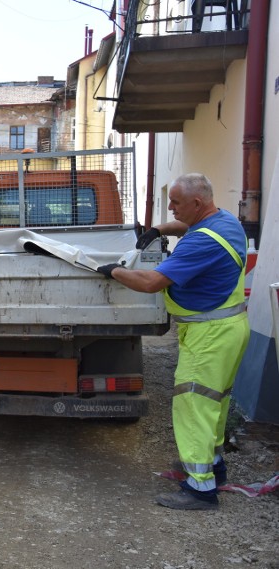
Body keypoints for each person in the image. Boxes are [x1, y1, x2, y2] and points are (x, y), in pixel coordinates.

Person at [97, 173, 250, 511]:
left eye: (176, 203)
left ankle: (200, 491)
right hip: (227, 328)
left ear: (197, 204)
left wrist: (115, 272)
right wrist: (159, 230)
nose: (170, 207)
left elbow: (152, 281)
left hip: (209, 335)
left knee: (193, 406)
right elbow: (188, 228)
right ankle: (214, 469)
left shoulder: (203, 242)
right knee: (213, 405)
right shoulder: (224, 222)